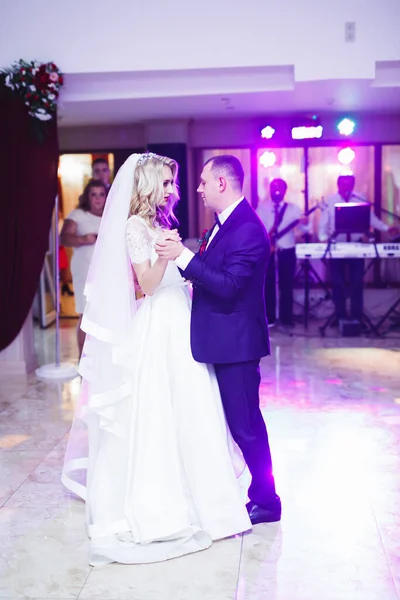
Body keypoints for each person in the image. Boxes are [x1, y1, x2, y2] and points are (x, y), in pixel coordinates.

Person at [62, 153, 251, 567]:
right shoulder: (134, 226)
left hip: (179, 316)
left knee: (195, 403)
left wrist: (178, 259)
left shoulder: (160, 224)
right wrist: (169, 255)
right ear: (147, 184)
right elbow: (146, 284)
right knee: (162, 407)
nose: (173, 190)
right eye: (166, 182)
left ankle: (209, 499)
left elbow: (173, 274)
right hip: (158, 321)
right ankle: (164, 502)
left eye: (173, 182)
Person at [156, 154, 281, 526]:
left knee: (246, 425)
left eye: (204, 182)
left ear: (222, 184)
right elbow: (213, 273)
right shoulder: (225, 223)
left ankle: (267, 500)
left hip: (238, 344)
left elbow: (228, 286)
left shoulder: (247, 228)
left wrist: (182, 256)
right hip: (223, 340)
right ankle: (256, 493)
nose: (198, 189)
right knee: (238, 422)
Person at [318, 174, 397, 322]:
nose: (347, 188)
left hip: (357, 245)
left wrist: (387, 228)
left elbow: (371, 219)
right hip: (337, 246)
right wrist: (323, 240)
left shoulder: (360, 198)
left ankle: (357, 316)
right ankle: (340, 316)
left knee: (357, 282)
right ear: (338, 185)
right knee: (337, 282)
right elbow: (324, 222)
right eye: (344, 184)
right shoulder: (331, 200)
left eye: (350, 185)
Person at [60, 179, 107, 355]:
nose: (98, 199)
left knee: (106, 315)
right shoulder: (78, 214)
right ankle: (83, 361)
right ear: (87, 196)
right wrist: (83, 239)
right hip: (85, 271)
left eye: (101, 194)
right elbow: (63, 238)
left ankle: (102, 361)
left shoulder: (112, 214)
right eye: (93, 194)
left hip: (107, 272)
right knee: (86, 315)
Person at [257, 178, 309, 326]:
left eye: (279, 187)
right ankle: (270, 318)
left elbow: (305, 230)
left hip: (287, 250)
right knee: (268, 284)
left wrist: (305, 223)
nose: (276, 190)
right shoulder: (262, 208)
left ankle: (286, 318)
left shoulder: (293, 209)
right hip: (268, 251)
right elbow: (255, 228)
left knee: (287, 284)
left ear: (285, 190)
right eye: (273, 187)